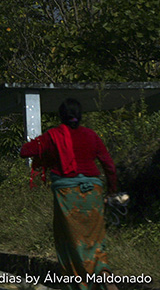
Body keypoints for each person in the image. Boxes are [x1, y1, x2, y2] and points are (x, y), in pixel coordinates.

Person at [19, 98, 118, 290]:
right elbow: (109, 166)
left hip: (67, 195)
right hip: (94, 194)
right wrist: (111, 192)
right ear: (80, 116)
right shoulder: (91, 135)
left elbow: (25, 151)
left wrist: (44, 149)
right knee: (96, 243)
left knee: (72, 244)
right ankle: (105, 276)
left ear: (61, 116)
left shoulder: (53, 136)